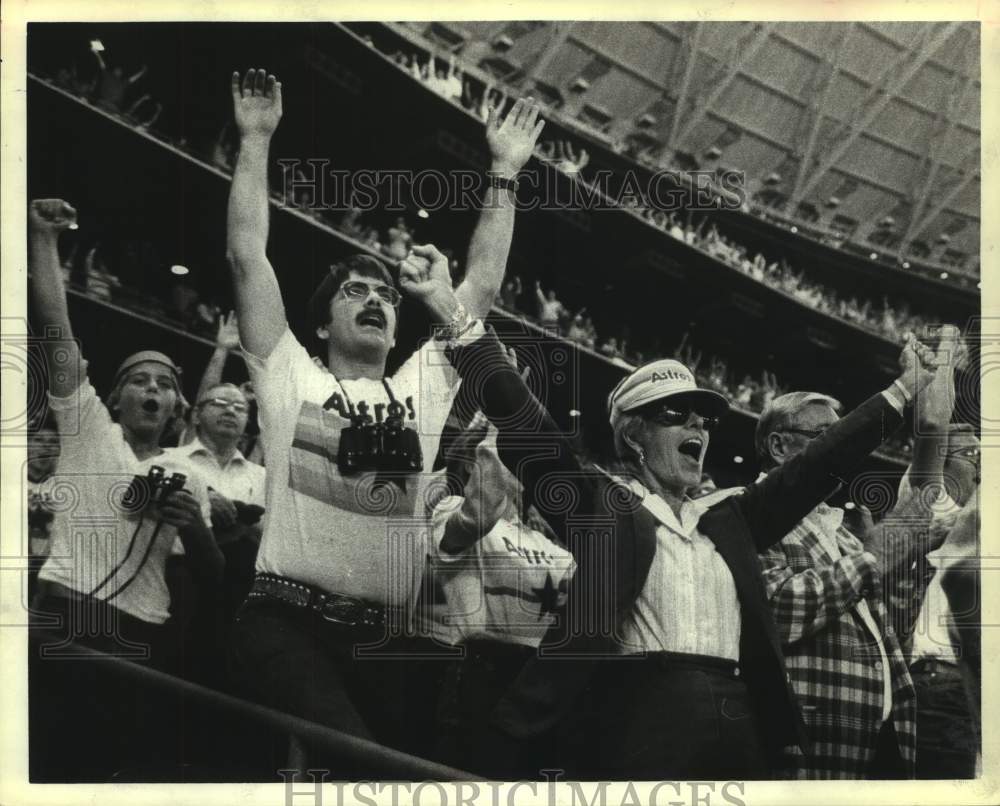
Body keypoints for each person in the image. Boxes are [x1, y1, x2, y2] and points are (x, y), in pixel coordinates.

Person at [443, 326, 942, 779]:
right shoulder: (604, 503)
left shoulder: (730, 517)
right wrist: (459, 322)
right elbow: (532, 432)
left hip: (742, 721)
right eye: (675, 414)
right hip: (643, 720)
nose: (698, 428)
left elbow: (820, 461)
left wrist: (904, 390)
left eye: (703, 418)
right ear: (633, 433)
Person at [223, 68, 544, 753]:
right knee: (357, 761)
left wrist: (504, 169)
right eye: (355, 292)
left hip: (384, 639)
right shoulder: (289, 377)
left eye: (386, 296)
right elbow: (248, 258)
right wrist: (256, 140)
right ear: (319, 325)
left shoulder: (419, 390)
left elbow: (480, 286)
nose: (374, 299)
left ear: (399, 331)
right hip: (284, 620)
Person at [754, 329, 958, 779]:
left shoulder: (841, 536)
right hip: (810, 740)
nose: (843, 445)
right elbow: (776, 610)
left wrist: (932, 425)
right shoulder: (746, 514)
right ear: (778, 445)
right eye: (826, 435)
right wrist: (875, 558)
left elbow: (920, 504)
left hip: (876, 734)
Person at [28, 198, 221, 672]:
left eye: (166, 384)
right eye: (139, 380)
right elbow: (58, 335)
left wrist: (193, 524)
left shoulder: (188, 474)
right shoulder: (88, 428)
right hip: (63, 611)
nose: (153, 387)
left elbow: (214, 575)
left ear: (177, 407)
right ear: (115, 399)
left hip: (142, 629)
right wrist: (44, 239)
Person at [421, 417, 575, 776]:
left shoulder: (548, 542)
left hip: (543, 688)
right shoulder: (451, 511)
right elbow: (481, 511)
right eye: (511, 456)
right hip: (481, 683)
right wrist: (501, 418)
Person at [904, 423, 981, 778]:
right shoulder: (931, 503)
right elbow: (931, 432)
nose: (980, 466)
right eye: (971, 455)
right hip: (939, 684)